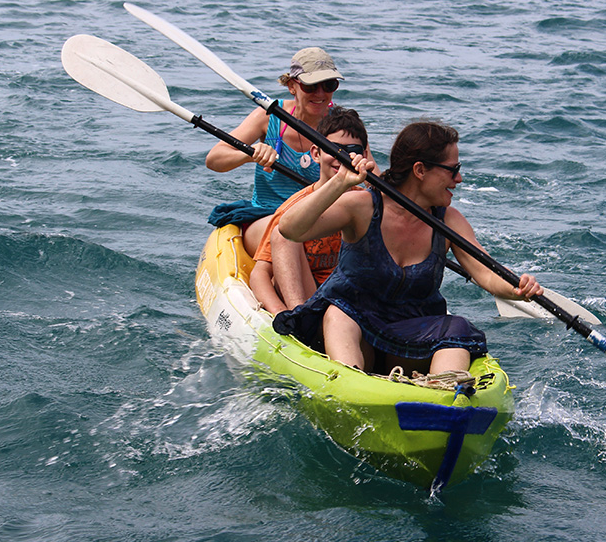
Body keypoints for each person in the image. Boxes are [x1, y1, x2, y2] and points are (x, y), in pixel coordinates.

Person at [272, 121, 542, 376]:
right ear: (420, 170)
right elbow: (290, 229)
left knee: (458, 329)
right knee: (340, 313)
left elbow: (486, 272)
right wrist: (340, 183)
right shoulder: (363, 206)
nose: (458, 179)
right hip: (351, 329)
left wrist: (518, 288)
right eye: (452, 169)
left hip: (411, 334)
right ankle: (350, 385)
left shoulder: (449, 220)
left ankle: (447, 395)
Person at [206, 47, 344, 255]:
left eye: (329, 85)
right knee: (288, 233)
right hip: (268, 215)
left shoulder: (343, 126)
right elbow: (214, 159)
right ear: (292, 86)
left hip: (319, 219)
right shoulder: (269, 116)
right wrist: (249, 154)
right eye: (311, 86)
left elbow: (373, 178)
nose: (320, 94)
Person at [248, 107, 372, 315]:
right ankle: (300, 317)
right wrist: (279, 312)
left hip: (349, 296)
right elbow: (260, 274)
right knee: (282, 234)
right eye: (334, 149)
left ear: (364, 156)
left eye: (353, 151)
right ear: (316, 153)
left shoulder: (367, 204)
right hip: (308, 294)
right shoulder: (293, 209)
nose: (343, 157)